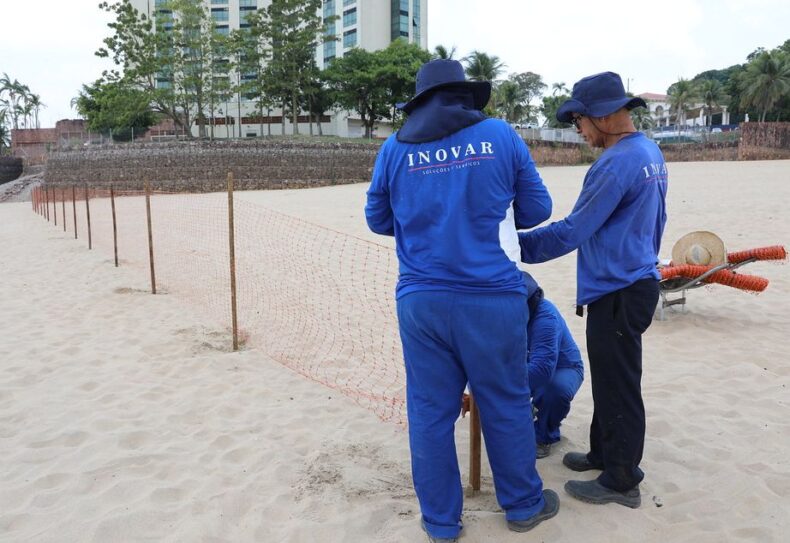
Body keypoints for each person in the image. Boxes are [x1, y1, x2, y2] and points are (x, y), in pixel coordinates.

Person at [365, 59, 558, 542]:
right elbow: (538, 209)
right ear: (465, 96)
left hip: (421, 299)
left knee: (430, 412)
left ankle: (441, 523)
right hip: (492, 296)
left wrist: (426, 215)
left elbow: (377, 219)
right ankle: (522, 506)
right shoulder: (501, 135)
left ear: (420, 102)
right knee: (506, 402)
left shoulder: (394, 147)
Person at [518, 71, 668, 509]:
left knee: (618, 385)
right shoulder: (649, 151)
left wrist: (512, 246)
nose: (579, 133)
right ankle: (604, 453)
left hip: (619, 289)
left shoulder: (614, 163)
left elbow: (573, 230)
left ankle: (622, 479)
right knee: (610, 379)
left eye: (579, 122)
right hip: (636, 278)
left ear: (600, 117)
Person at [526, 285, 584, 459]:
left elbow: (542, 370)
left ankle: (544, 436)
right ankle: (526, 410)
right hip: (528, 362)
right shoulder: (507, 310)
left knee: (553, 391)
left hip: (564, 368)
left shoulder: (545, 318)